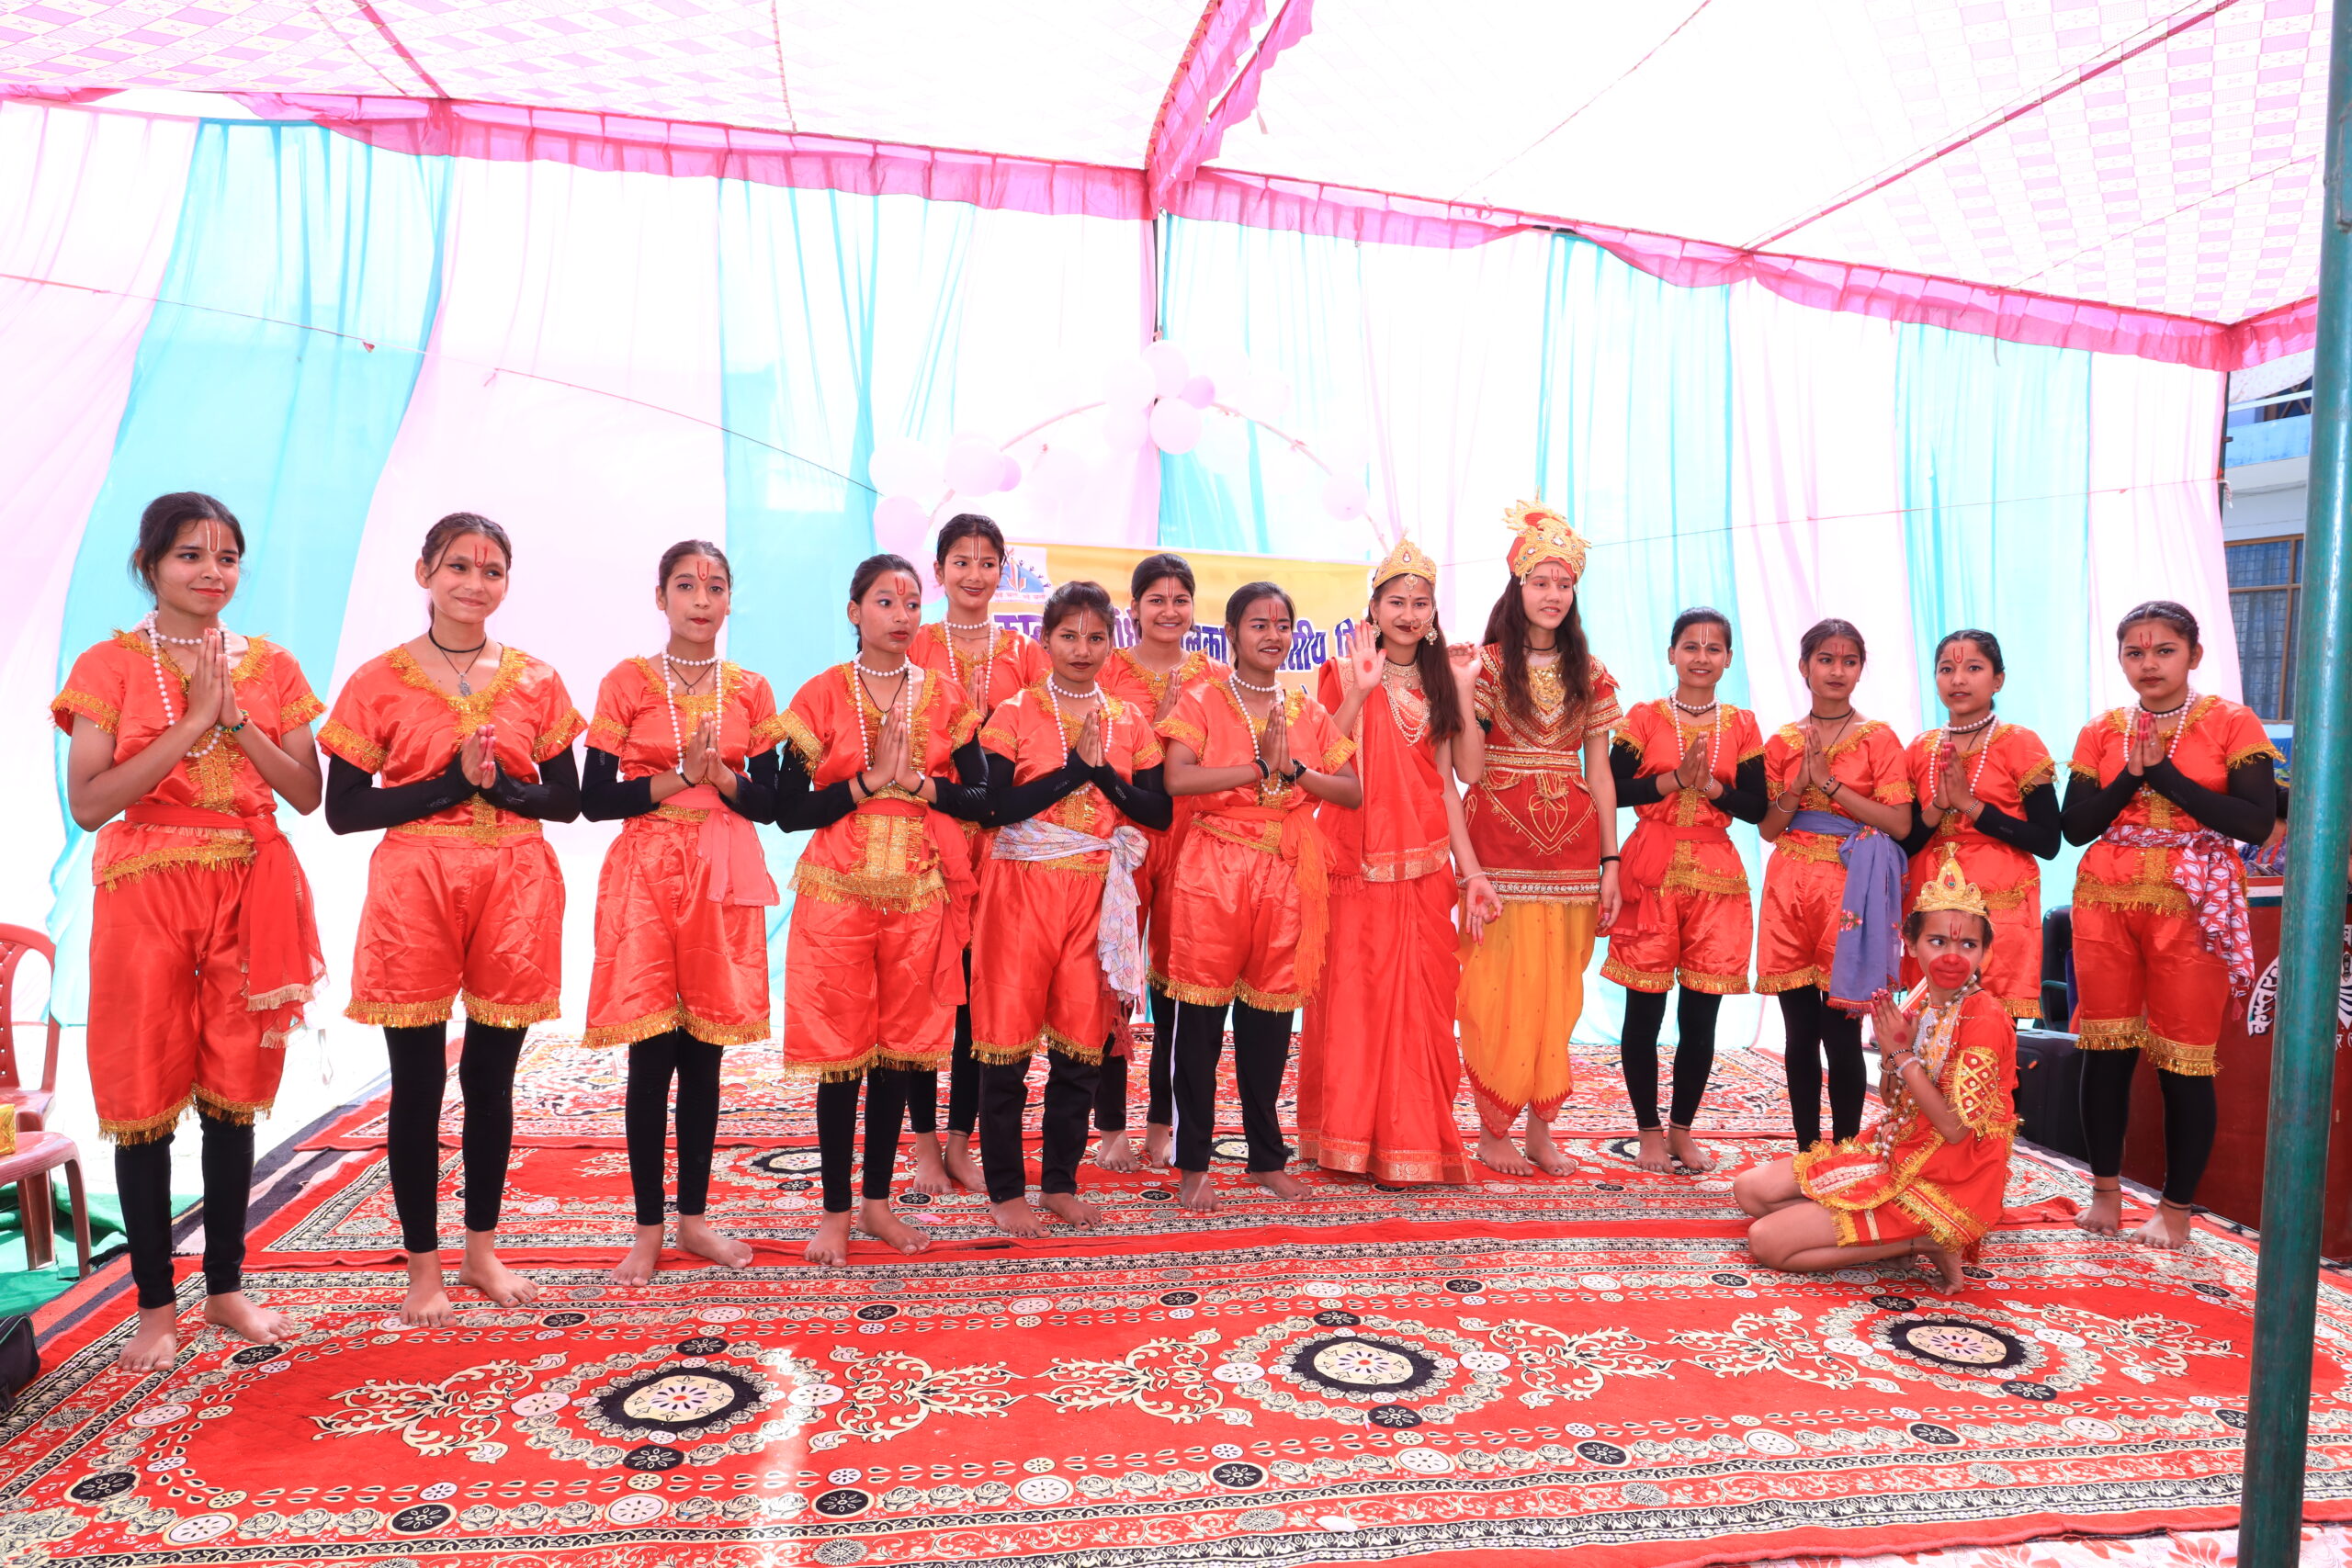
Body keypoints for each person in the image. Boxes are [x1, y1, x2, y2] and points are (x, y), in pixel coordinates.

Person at [55, 492, 326, 1371]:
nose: (212, 572)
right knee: (144, 1093)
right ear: (149, 565)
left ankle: (226, 1284)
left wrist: (235, 718)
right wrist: (193, 722)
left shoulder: (274, 666)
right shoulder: (107, 664)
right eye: (190, 555)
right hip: (145, 892)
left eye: (227, 557)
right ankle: (153, 1306)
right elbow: (89, 802)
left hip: (249, 887)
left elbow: (307, 792)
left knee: (233, 1088)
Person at [322, 512, 582, 1325]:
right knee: (418, 1082)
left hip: (516, 881)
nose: (475, 582)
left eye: (492, 569)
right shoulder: (378, 680)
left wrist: (501, 787)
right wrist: (449, 785)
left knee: (491, 1079)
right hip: (417, 883)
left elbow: (567, 799)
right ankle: (423, 1267)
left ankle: (481, 1250)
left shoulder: (538, 678)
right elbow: (343, 810)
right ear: (424, 573)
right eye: (459, 566)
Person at [775, 553, 989, 1265]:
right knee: (841, 1060)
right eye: (885, 602)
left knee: (899, 1057)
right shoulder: (821, 694)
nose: (902, 615)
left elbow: (982, 796)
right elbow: (787, 811)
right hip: (836, 896)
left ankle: (876, 1203)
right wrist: (867, 784)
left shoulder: (947, 698)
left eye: (912, 603)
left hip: (919, 898)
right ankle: (835, 1213)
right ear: (854, 611)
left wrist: (921, 785)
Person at [581, 541, 783, 1284]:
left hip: (721, 874)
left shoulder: (751, 689)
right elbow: (592, 798)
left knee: (705, 1053)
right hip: (647, 870)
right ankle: (647, 1229)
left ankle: (694, 1220)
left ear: (730, 600)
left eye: (716, 586)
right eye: (687, 585)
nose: (702, 599)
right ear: (660, 595)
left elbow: (774, 803)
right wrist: (679, 777)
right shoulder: (626, 681)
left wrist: (722, 778)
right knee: (651, 1053)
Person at [2063, 600, 2278, 1249]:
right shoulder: (2101, 730)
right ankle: (2104, 1194)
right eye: (2135, 652)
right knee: (2105, 1049)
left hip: (2193, 905)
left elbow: (2253, 821)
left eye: (2164, 650)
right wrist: (2133, 776)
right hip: (2105, 899)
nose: (2148, 663)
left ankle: (2176, 1208)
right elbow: (2076, 827)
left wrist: (2164, 775)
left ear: (2194, 655)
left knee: (2186, 1057)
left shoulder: (2232, 722)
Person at [969, 580, 1172, 1233]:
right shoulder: (1015, 712)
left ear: (1112, 642)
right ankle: (1006, 1193)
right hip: (1020, 893)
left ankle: (1058, 1182)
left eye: (1095, 637)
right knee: (1004, 1047)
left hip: (1095, 897)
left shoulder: (1128, 720)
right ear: (1045, 640)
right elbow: (994, 808)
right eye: (1068, 636)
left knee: (1082, 1048)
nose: (1082, 649)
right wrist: (1070, 776)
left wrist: (1102, 775)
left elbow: (1158, 812)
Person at [1159, 582, 1361, 1210]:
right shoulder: (1203, 698)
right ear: (1231, 634)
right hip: (1214, 869)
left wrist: (1295, 771)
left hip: (1285, 871)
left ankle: (1266, 1157)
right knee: (1199, 1027)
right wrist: (1258, 769)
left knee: (1269, 1025)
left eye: (1282, 624)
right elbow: (1176, 777)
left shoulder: (1307, 710)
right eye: (1258, 624)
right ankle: (1193, 1165)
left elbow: (1352, 791)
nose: (1273, 635)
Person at [1733, 850, 2019, 1291]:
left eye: (1968, 944)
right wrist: (1891, 1055)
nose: (1953, 955)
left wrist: (1901, 1055)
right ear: (1911, 945)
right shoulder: (1923, 1001)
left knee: (1767, 1242)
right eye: (1938, 941)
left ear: (1985, 952)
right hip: (1895, 1149)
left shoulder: (1984, 1017)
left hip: (1947, 1176)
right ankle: (1877, 1233)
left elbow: (1954, 1129)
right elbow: (1892, 1099)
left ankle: (1924, 1240)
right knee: (1750, 1191)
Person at [1298, 538, 1483, 1184]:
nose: (1408, 614)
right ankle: (1346, 1141)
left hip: (1425, 868)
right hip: (1356, 865)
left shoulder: (1441, 680)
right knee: (1354, 1003)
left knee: (1421, 1012)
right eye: (1396, 602)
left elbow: (1459, 778)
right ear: (1373, 609)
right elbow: (1319, 757)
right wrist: (1359, 689)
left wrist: (1472, 872)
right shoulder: (1341, 669)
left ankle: (1411, 1145)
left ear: (1433, 614)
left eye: (1420, 603)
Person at [1455, 501, 1619, 1177]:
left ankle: (1541, 1127)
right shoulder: (1488, 666)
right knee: (1497, 989)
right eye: (1541, 581)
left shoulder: (1592, 673)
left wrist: (1611, 861)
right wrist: (1462, 689)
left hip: (1574, 855)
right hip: (1498, 846)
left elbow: (1600, 774)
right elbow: (1467, 770)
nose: (1554, 594)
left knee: (1558, 993)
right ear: (1518, 586)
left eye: (1564, 583)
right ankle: (1493, 1127)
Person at [904, 513, 1049, 1196]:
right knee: (920, 989)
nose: (974, 574)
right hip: (923, 836)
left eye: (988, 562)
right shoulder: (916, 640)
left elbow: (1048, 734)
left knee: (976, 992)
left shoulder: (1025, 653)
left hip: (1000, 847)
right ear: (938, 572)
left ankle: (961, 1138)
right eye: (960, 561)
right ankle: (923, 1143)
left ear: (1003, 571)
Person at [1602, 607, 1768, 1174]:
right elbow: (1610, 788)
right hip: (1650, 873)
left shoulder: (1742, 725)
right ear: (1671, 654)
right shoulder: (1645, 717)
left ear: (1728, 659)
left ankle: (1682, 1131)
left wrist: (1714, 790)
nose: (1701, 657)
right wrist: (1672, 781)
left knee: (1701, 1015)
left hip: (1717, 881)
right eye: (1690, 647)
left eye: (1713, 648)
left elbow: (1757, 808)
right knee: (1645, 1011)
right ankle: (1648, 1132)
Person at [1758, 618, 1916, 1151]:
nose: (1837, 670)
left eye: (1849, 661)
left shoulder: (1878, 738)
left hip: (1851, 890)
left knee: (1841, 1031)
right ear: (1804, 667)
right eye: (1826, 659)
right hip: (1788, 889)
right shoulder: (1782, 741)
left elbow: (1899, 823)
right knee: (1798, 1034)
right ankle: (1807, 1151)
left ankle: (1845, 1153)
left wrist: (1828, 784)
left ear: (1861, 670)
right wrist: (1798, 786)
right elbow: (1768, 829)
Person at [1096, 552, 1229, 1170]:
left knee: (1177, 985)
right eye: (1157, 600)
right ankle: (1110, 1127)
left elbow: (1223, 753)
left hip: (1192, 843)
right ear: (1134, 608)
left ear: (1194, 609)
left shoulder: (1216, 676)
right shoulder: (1106, 669)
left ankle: (1161, 1122)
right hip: (1123, 841)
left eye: (1180, 600)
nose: (1169, 610)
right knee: (1114, 980)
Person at [1897, 630, 2060, 1021]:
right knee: (1928, 1031)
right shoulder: (1919, 749)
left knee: (1990, 1030)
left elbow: (2048, 841)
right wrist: (1940, 805)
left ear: (1997, 680)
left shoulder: (2020, 744)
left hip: (1999, 909)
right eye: (1946, 669)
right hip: (1931, 905)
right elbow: (1904, 843)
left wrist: (1970, 805)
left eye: (1973, 668)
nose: (1958, 679)